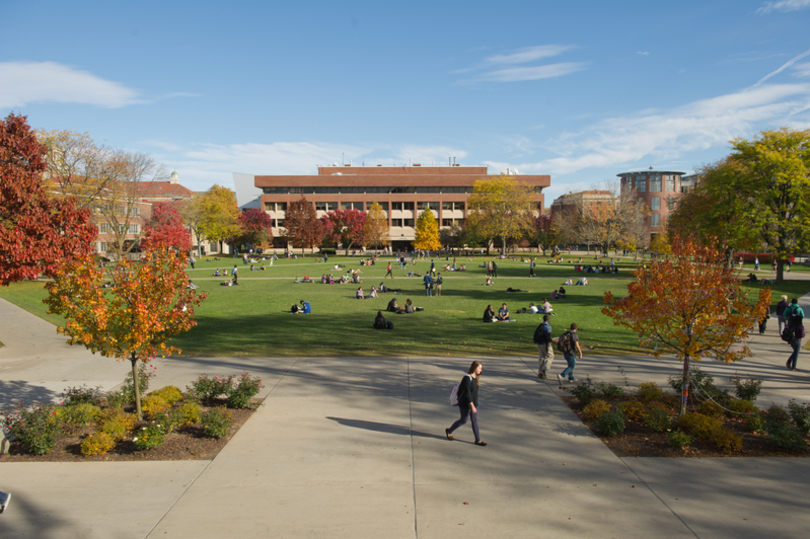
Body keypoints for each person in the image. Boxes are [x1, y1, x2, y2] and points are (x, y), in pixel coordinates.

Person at [445, 361, 486, 446]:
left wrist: (475, 405)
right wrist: (472, 406)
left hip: (474, 404)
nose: (481, 370)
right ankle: (449, 431)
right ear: (474, 368)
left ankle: (478, 440)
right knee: (463, 420)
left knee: (475, 420)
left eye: (481, 368)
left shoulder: (475, 378)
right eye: (479, 368)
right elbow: (467, 393)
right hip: (465, 404)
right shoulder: (467, 378)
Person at [534, 314, 554, 379]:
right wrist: (552, 341)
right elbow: (547, 337)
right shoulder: (548, 327)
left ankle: (540, 373)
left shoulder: (540, 325)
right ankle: (544, 369)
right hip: (545, 344)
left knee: (541, 357)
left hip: (539, 343)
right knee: (550, 356)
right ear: (548, 320)